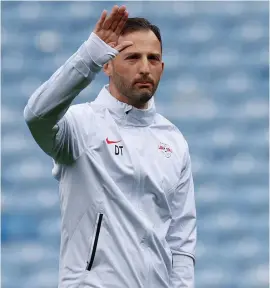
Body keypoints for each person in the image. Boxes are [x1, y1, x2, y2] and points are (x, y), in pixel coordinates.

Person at [24, 5, 197, 288]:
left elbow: (180, 242)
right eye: (132, 57)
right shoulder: (80, 126)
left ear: (162, 67)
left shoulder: (174, 140)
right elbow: (36, 115)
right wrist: (87, 57)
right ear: (107, 64)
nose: (144, 68)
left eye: (153, 58)